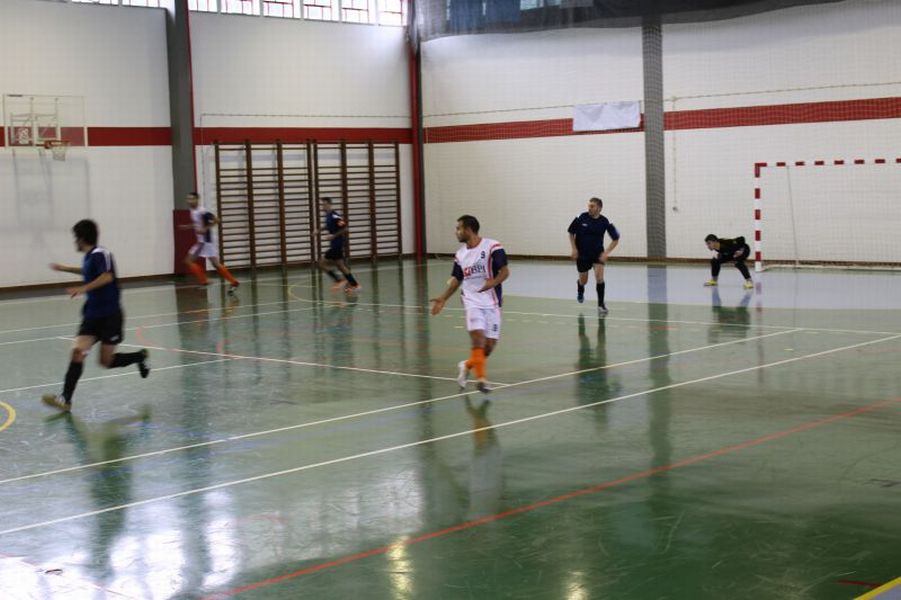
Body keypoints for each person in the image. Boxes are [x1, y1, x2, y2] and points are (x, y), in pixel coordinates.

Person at [42, 219, 150, 412]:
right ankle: (65, 399)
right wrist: (64, 268)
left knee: (105, 362)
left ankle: (139, 357)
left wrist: (83, 288)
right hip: (92, 315)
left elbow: (107, 276)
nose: (74, 241)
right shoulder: (89, 257)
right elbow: (87, 272)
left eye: (75, 238)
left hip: (110, 316)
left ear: (81, 238)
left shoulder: (101, 253)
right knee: (78, 352)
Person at [430, 215, 510, 393]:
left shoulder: (492, 246)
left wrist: (492, 282)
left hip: (492, 303)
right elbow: (457, 279)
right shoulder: (460, 255)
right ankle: (481, 380)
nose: (456, 232)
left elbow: (505, 272)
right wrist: (443, 298)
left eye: (458, 228)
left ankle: (466, 366)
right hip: (471, 301)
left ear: (469, 229)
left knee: (488, 347)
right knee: (478, 339)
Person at [567, 197, 620, 314]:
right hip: (582, 255)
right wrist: (574, 249)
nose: (589, 208)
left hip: (597, 254)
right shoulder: (581, 217)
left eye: (592, 206)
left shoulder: (605, 221)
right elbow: (571, 232)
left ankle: (601, 305)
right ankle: (580, 287)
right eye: (589, 206)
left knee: (599, 278)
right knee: (584, 281)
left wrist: (606, 253)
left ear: (599, 208)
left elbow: (616, 239)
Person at [183, 192, 239, 293]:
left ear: (197, 199)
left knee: (189, 260)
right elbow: (197, 223)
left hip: (205, 241)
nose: (189, 201)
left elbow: (217, 220)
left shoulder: (202, 211)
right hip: (203, 241)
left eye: (191, 199)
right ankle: (234, 282)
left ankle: (205, 281)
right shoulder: (193, 210)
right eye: (188, 199)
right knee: (215, 264)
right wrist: (188, 226)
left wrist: (205, 228)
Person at [319, 197, 361, 293]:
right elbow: (328, 226)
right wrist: (319, 230)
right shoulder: (328, 216)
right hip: (334, 245)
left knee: (321, 263)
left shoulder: (335, 216)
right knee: (341, 266)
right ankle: (355, 285)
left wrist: (333, 236)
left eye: (324, 204)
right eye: (322, 205)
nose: (323, 206)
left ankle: (339, 280)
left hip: (337, 245)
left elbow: (345, 228)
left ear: (329, 205)